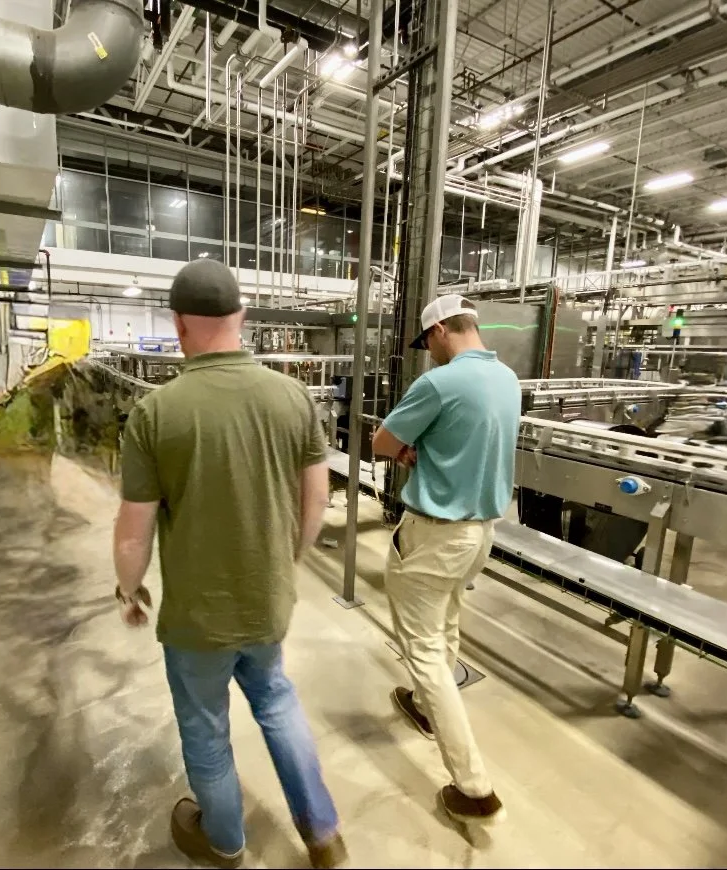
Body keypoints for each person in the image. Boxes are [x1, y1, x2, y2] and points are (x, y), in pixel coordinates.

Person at [112, 259, 346, 870]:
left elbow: (133, 530)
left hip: (195, 619)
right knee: (277, 702)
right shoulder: (292, 396)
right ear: (241, 317)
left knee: (206, 728)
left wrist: (129, 590)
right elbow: (315, 499)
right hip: (266, 602)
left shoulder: (155, 413)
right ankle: (323, 836)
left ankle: (225, 842)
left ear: (179, 325)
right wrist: (285, 562)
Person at [370, 293, 521, 826]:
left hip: (434, 535)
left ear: (439, 333)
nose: (427, 353)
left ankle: (474, 787)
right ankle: (424, 704)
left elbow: (382, 442)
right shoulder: (508, 380)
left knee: (425, 649)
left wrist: (409, 450)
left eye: (426, 343)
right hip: (480, 533)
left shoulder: (439, 382)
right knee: (447, 620)